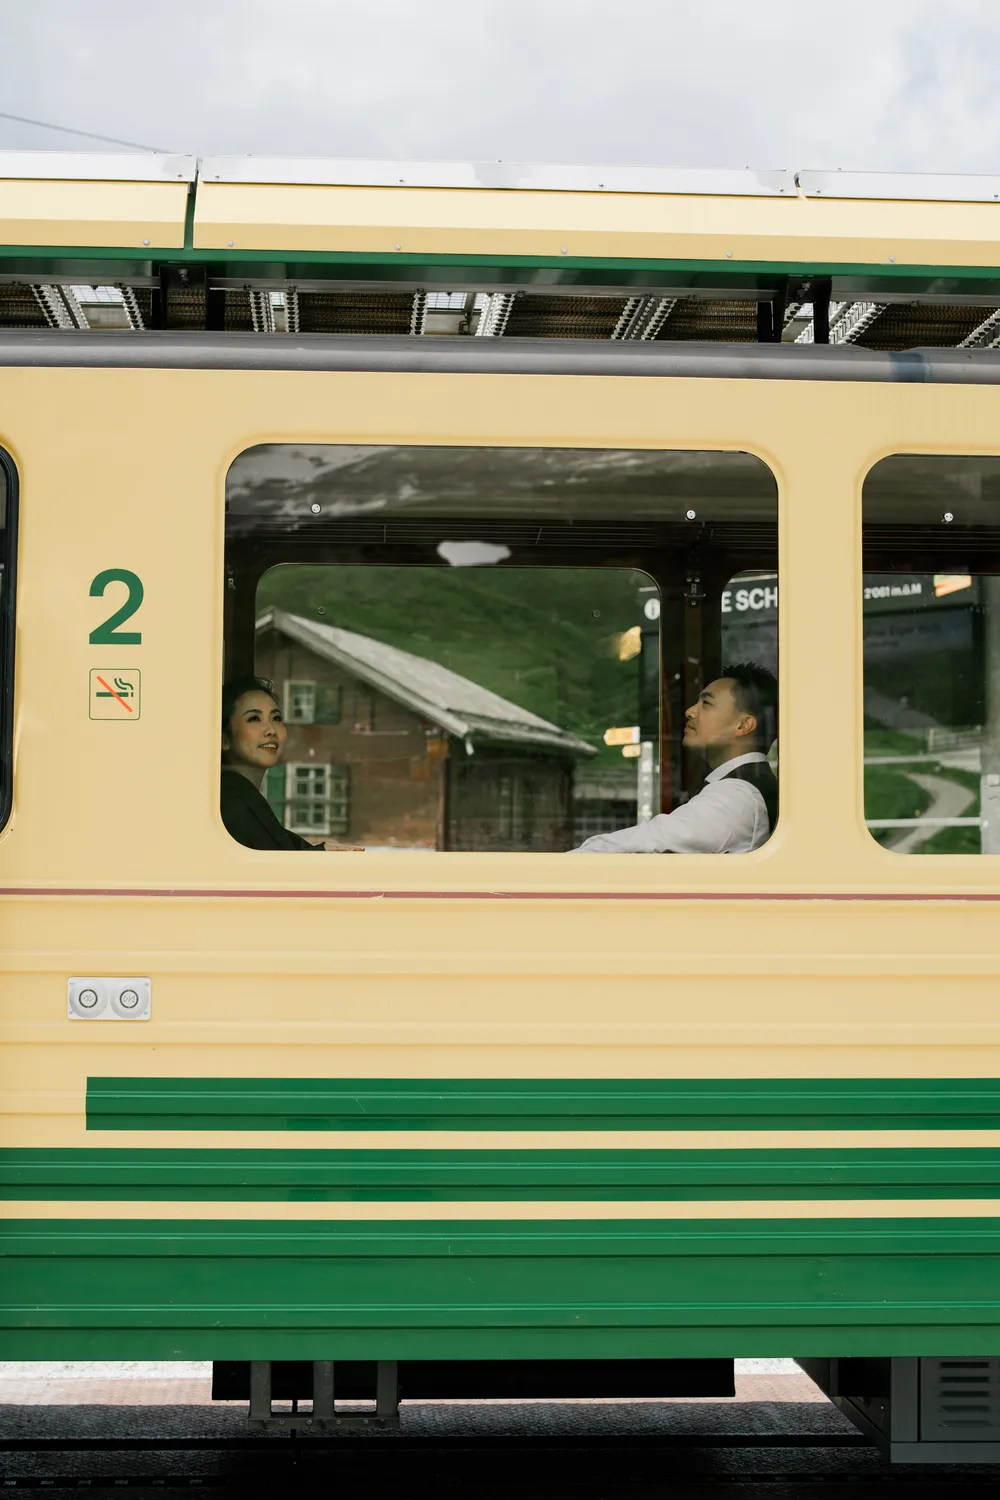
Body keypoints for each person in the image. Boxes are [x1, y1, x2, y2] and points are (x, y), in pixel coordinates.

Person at [574, 662, 777, 854]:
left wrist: (557, 865)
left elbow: (647, 843)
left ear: (743, 725)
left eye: (706, 703)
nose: (690, 711)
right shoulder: (747, 786)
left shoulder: (736, 795)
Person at [220, 675, 361, 851]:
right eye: (254, 719)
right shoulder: (229, 803)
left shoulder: (244, 798)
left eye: (276, 718)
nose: (271, 730)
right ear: (224, 739)